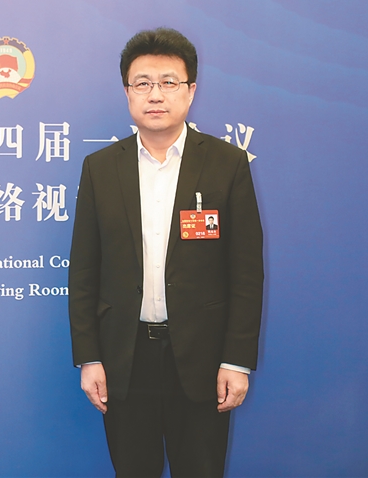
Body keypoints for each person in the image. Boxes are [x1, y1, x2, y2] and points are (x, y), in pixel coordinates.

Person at [68, 27, 263, 478]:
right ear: (127, 92)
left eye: (169, 82)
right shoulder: (100, 168)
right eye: (143, 83)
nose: (155, 94)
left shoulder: (227, 164)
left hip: (202, 359)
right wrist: (90, 357)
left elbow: (246, 273)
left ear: (191, 90)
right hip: (125, 358)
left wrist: (236, 360)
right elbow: (84, 271)